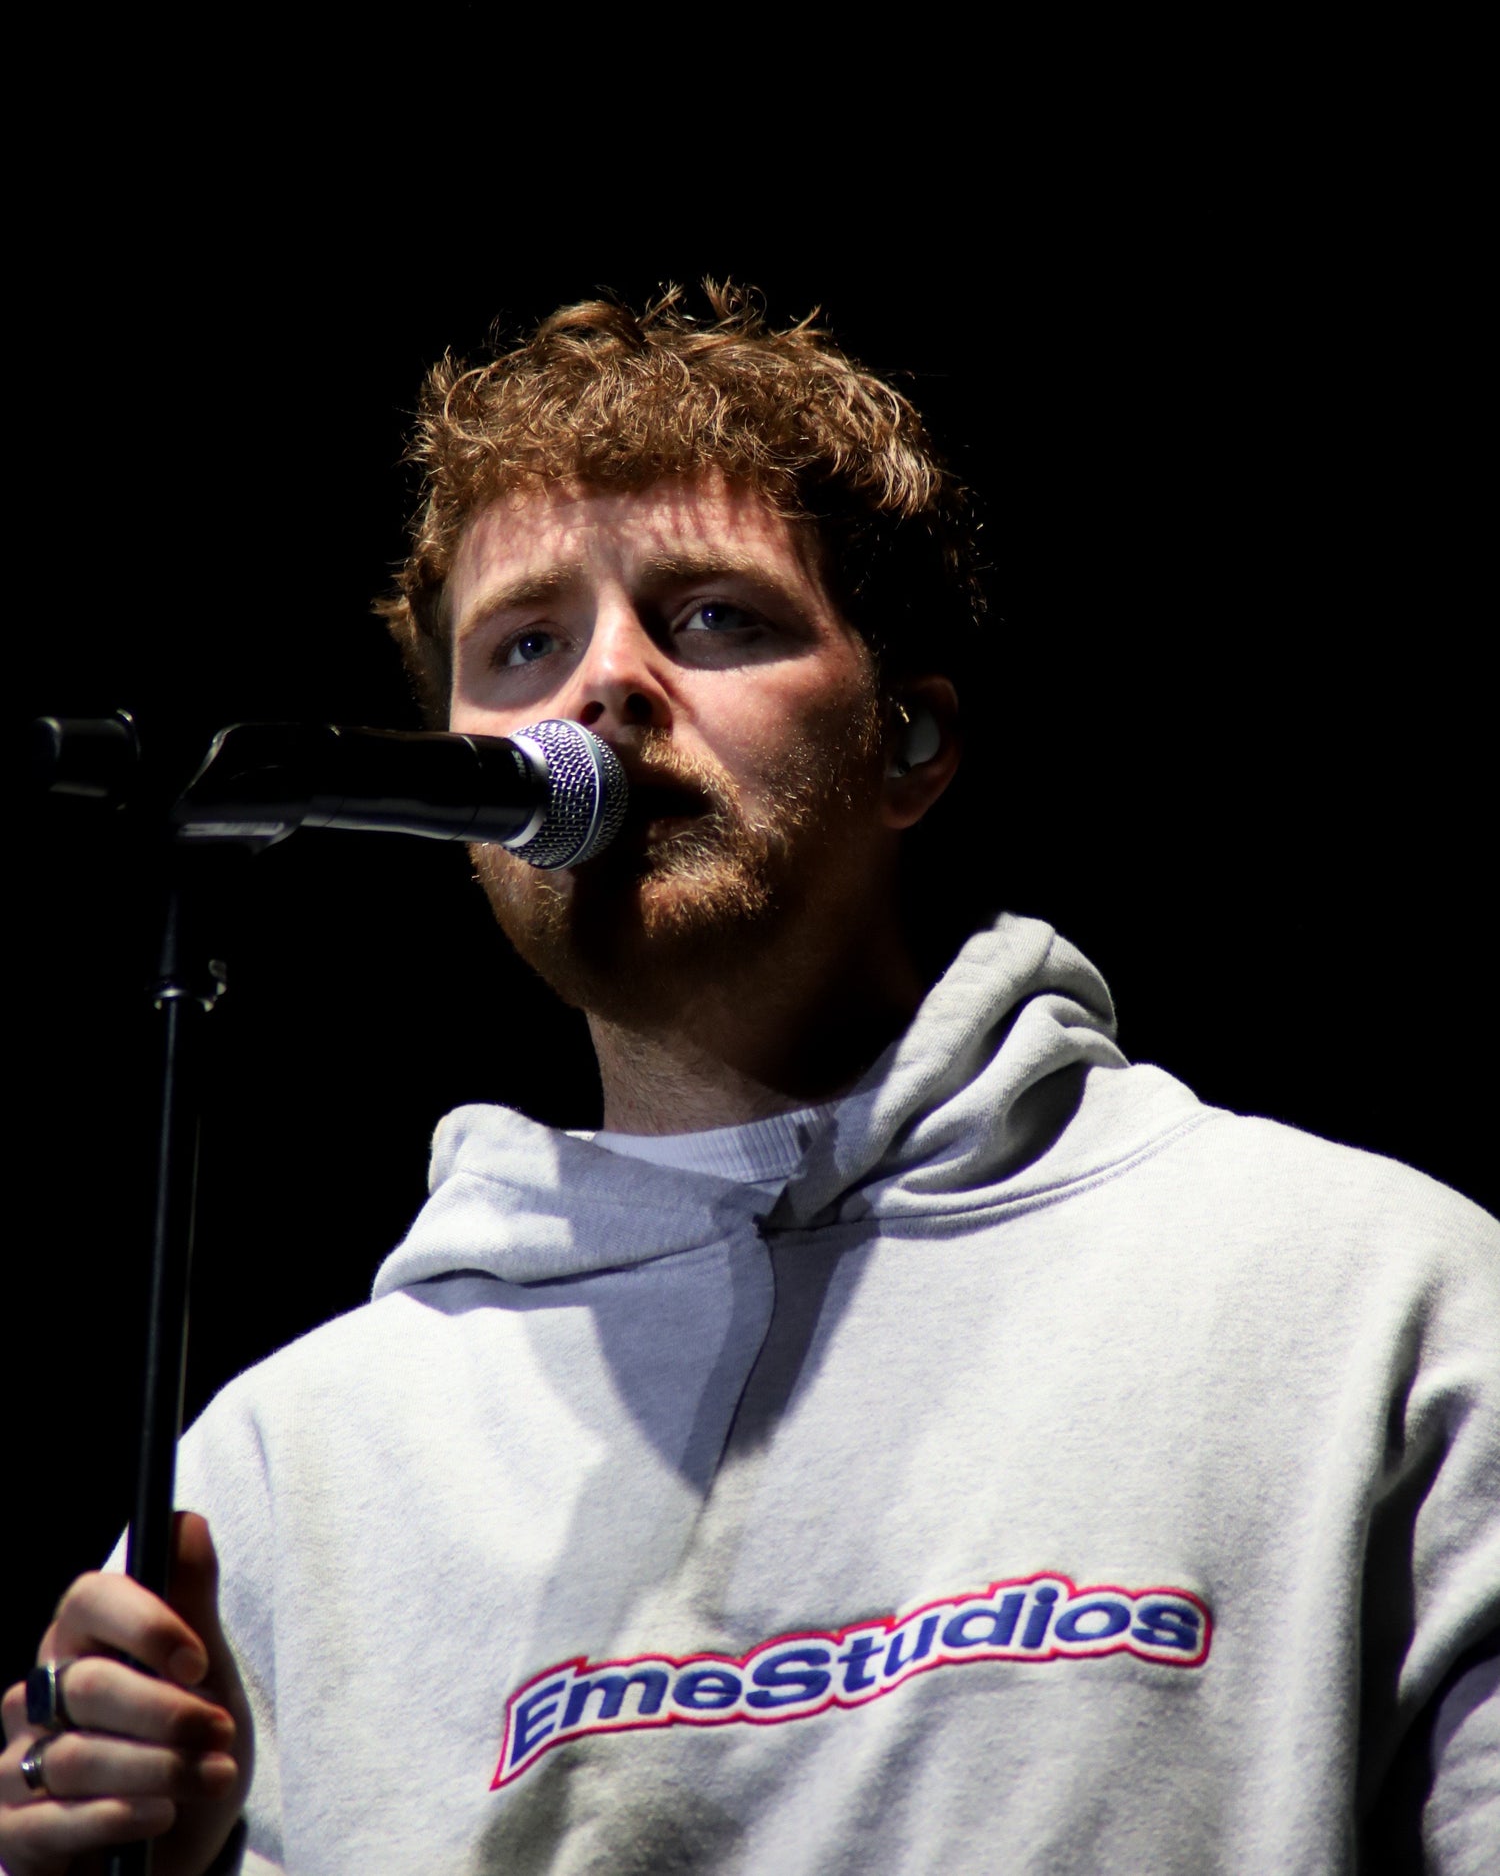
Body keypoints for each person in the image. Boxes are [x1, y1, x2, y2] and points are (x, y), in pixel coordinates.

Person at [2, 286, 1496, 1875]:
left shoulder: (1364, 1295)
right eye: (525, 645)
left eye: (713, 616)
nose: (604, 686)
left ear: (911, 742)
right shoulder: (280, 1470)